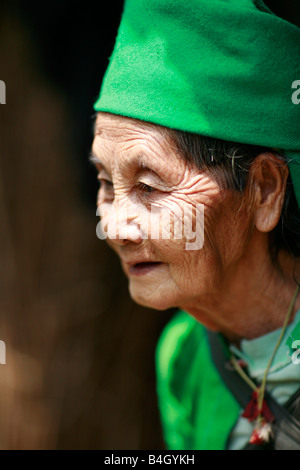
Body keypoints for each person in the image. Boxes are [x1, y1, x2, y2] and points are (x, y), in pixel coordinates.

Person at [91, 0, 300, 450]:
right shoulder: (184, 355)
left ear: (263, 190)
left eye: (149, 187)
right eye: (107, 183)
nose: (113, 227)